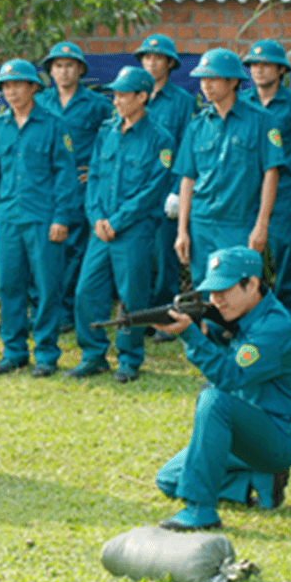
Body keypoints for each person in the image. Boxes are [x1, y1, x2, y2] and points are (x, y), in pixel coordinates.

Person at [151, 247, 291, 530]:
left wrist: (192, 336)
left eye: (224, 291)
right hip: (248, 428)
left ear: (252, 284)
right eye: (212, 292)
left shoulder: (273, 328)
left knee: (214, 400)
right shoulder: (240, 316)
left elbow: (230, 375)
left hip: (280, 435)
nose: (216, 300)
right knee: (168, 479)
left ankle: (200, 510)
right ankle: (255, 480)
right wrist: (206, 332)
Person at [69, 67, 175, 383]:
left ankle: (128, 358)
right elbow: (94, 177)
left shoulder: (161, 139)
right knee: (87, 291)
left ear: (142, 97)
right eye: (114, 95)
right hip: (101, 229)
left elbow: (153, 190)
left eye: (122, 95)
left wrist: (117, 221)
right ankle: (93, 355)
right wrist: (97, 218)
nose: (115, 101)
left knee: (133, 296)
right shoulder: (107, 132)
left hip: (134, 231)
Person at [0, 59, 76, 376]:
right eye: (6, 86)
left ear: (34, 87)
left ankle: (46, 353)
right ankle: (14, 351)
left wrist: (61, 217)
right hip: (8, 218)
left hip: (42, 217)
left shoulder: (53, 124)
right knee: (9, 286)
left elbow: (65, 175)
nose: (11, 91)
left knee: (47, 287)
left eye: (18, 84)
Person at [173, 49, 284, 288]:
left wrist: (261, 226)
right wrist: (182, 230)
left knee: (238, 291)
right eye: (202, 79)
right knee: (204, 290)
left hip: (239, 224)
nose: (206, 86)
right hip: (201, 223)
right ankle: (205, 328)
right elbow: (187, 179)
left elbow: (271, 174)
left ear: (233, 81)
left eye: (213, 79)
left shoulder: (262, 121)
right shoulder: (197, 125)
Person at [239, 40, 291, 332]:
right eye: (254, 65)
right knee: (246, 258)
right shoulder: (242, 103)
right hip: (247, 193)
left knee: (287, 258)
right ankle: (249, 320)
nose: (258, 70)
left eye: (265, 64)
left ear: (281, 69)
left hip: (283, 193)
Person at [37, 41, 114, 332]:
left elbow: (112, 142)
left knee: (76, 250)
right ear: (50, 72)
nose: (64, 71)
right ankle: (47, 308)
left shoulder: (98, 106)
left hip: (82, 190)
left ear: (80, 69)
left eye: (70, 65)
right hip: (48, 189)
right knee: (46, 249)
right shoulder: (41, 102)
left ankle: (70, 310)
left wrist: (96, 170)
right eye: (58, 66)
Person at [132, 34, 198, 341]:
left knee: (165, 258)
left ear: (170, 63)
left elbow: (187, 148)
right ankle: (141, 316)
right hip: (135, 193)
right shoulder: (131, 96)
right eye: (146, 58)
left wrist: (177, 193)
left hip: (166, 194)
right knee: (137, 258)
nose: (150, 63)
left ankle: (166, 317)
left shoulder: (183, 102)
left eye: (157, 58)